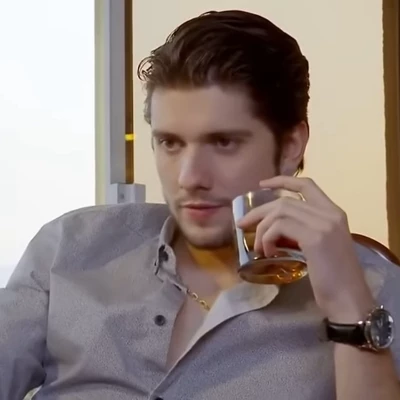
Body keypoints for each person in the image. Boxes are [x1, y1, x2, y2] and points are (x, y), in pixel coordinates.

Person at [1, 10, 399, 400]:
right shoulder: (71, 246)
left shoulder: (376, 288)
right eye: (170, 143)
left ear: (291, 145)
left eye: (223, 142)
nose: (189, 177)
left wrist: (350, 308)